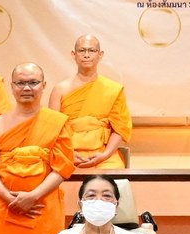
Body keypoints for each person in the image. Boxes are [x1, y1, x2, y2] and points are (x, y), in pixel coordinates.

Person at [0, 63, 73, 234]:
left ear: (44, 85)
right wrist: (8, 197)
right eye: (20, 83)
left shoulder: (57, 122)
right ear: (12, 87)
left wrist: (33, 196)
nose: (27, 88)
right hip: (6, 207)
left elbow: (63, 168)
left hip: (42, 206)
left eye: (33, 83)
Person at [52, 34, 131, 171]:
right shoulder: (60, 90)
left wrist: (105, 154)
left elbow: (120, 128)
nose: (86, 55)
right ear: (74, 54)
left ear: (100, 55)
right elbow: (52, 129)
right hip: (68, 153)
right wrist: (68, 153)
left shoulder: (113, 89)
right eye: (82, 51)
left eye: (92, 51)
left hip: (103, 154)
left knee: (116, 174)